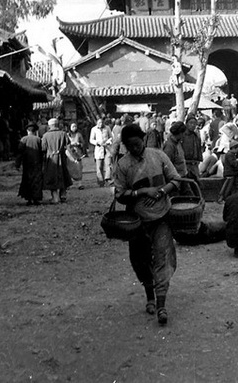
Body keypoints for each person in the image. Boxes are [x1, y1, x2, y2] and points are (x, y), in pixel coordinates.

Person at [114, 123, 181, 326]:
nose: (136, 149)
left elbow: (176, 180)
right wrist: (142, 192)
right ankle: (149, 297)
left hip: (161, 217)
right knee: (140, 260)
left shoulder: (158, 156)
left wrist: (161, 192)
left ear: (143, 139)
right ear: (125, 146)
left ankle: (161, 305)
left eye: (138, 143)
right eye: (131, 146)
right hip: (137, 221)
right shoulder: (123, 165)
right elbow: (119, 195)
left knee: (163, 258)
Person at [42, 118, 72, 204]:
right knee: (63, 175)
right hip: (61, 158)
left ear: (49, 126)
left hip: (51, 159)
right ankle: (63, 195)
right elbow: (68, 146)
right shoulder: (63, 134)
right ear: (57, 125)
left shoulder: (45, 136)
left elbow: (43, 149)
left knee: (52, 177)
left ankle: (55, 197)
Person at [16, 122, 44, 205]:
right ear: (35, 131)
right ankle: (36, 198)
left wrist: (17, 164)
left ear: (27, 131)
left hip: (27, 163)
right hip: (37, 163)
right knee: (37, 180)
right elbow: (42, 152)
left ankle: (29, 199)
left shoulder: (23, 139)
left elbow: (19, 153)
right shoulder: (38, 140)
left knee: (27, 180)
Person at [89, 118, 113, 187]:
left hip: (107, 149)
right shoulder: (94, 129)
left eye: (102, 122)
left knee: (108, 164)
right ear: (97, 123)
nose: (101, 124)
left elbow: (111, 137)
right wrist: (97, 143)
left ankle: (107, 179)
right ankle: (100, 181)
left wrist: (108, 142)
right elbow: (91, 140)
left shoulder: (107, 128)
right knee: (99, 166)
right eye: (99, 123)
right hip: (99, 149)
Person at [180, 116, 203, 181]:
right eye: (191, 123)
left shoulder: (196, 136)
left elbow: (198, 150)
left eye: (194, 123)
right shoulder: (182, 136)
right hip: (184, 164)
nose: (193, 125)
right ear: (186, 124)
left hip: (194, 164)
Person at [66, 122, 87, 190]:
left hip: (77, 153)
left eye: (75, 126)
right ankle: (69, 184)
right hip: (70, 154)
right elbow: (65, 144)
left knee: (79, 168)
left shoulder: (79, 134)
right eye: (73, 126)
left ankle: (80, 184)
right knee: (69, 168)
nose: (74, 128)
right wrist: (71, 144)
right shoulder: (67, 135)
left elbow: (83, 143)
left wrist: (79, 144)